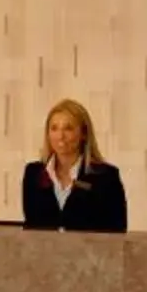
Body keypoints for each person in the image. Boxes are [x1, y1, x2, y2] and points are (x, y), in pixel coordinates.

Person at [21, 98, 127, 232]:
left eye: (68, 128)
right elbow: (31, 226)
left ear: (83, 134)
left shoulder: (105, 177)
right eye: (54, 128)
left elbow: (117, 233)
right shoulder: (34, 173)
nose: (60, 136)